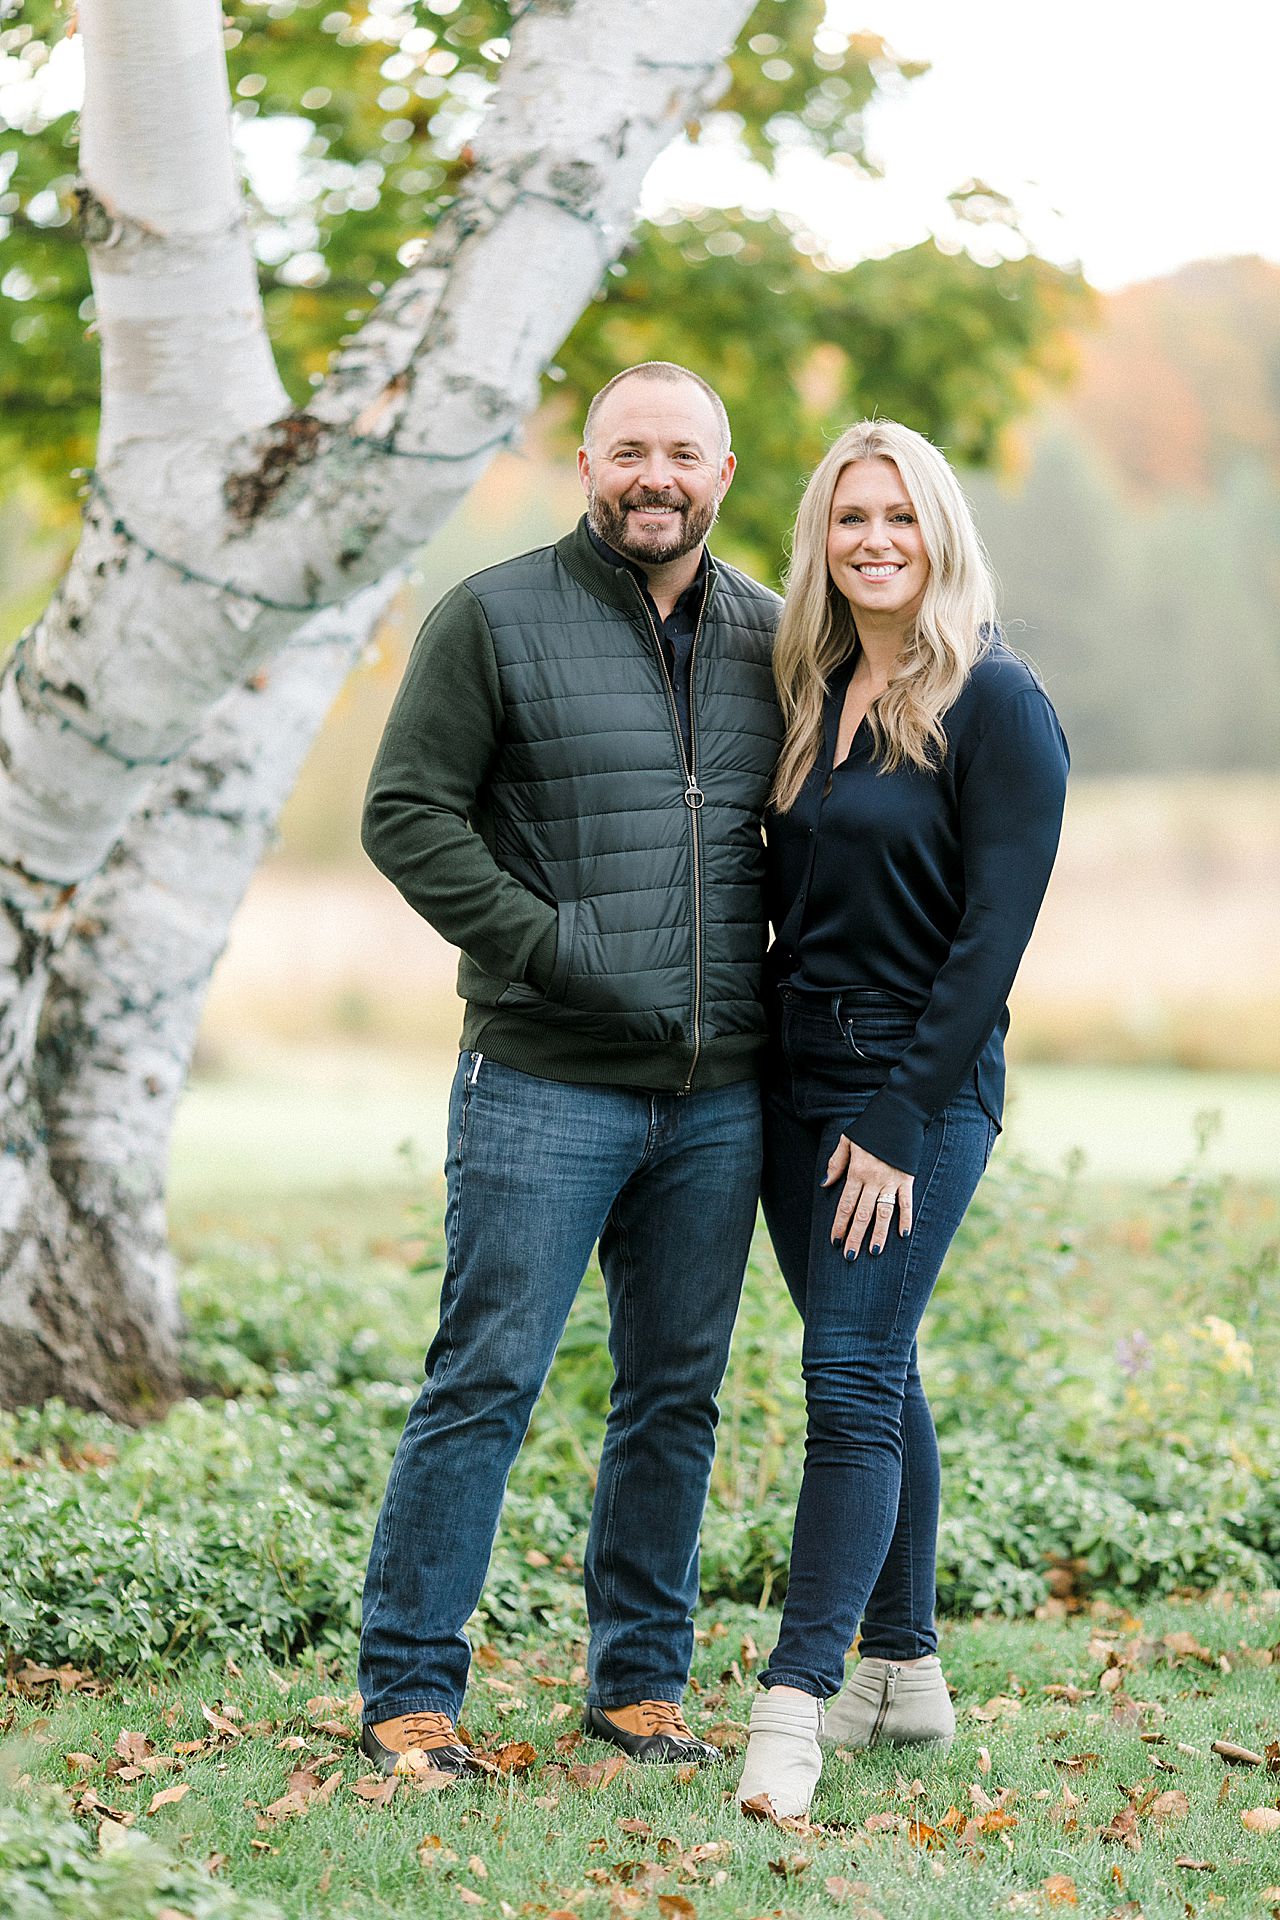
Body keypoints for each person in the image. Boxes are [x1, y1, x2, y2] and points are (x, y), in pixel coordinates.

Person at [356, 362, 782, 1776]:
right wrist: (552, 950)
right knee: (484, 1382)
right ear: (586, 465)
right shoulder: (492, 616)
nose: (653, 477)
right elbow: (407, 818)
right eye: (625, 451)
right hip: (543, 1079)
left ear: (723, 470)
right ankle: (412, 1695)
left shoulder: (775, 640)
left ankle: (639, 1684)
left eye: (681, 453)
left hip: (719, 1098)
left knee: (677, 1390)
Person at [734, 420, 1069, 1819]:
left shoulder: (996, 699)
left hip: (913, 1093)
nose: (875, 540)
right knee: (875, 1364)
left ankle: (793, 1707)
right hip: (789, 1081)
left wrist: (895, 1111)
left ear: (940, 531)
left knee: (851, 1381)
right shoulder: (812, 685)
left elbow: (995, 934)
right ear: (822, 535)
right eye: (849, 517)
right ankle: (907, 1670)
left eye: (902, 517)